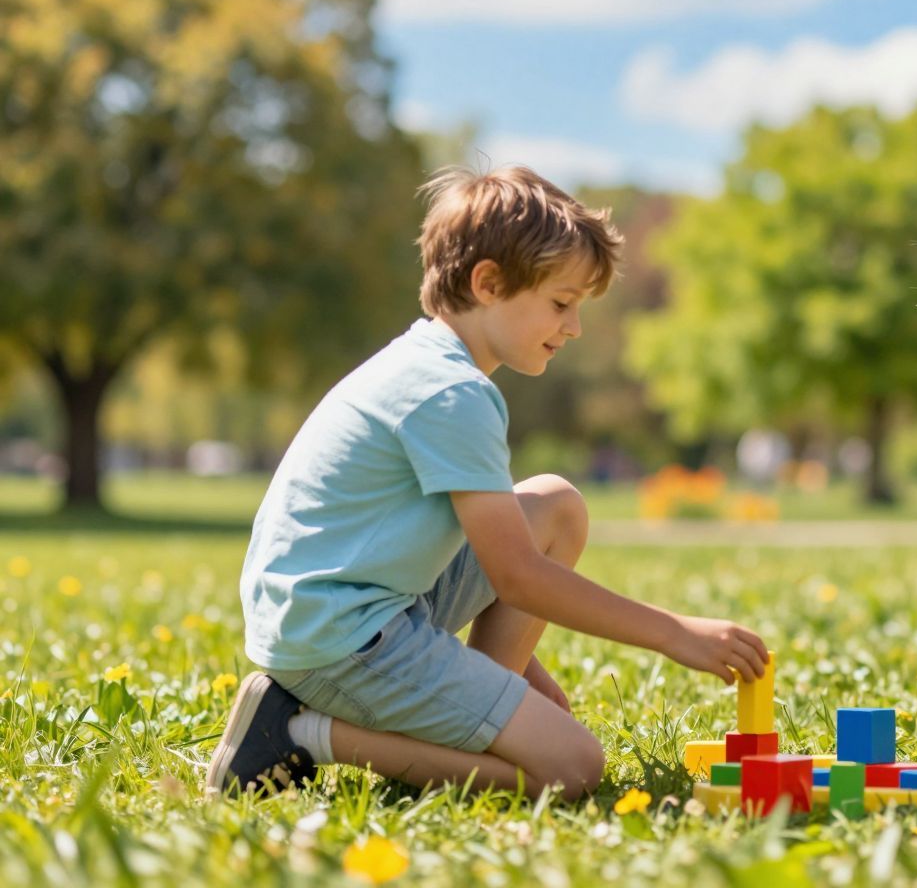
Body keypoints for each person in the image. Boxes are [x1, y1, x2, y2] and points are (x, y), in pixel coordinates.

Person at [208, 165, 767, 798]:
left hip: (346, 611)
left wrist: (512, 683)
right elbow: (517, 575)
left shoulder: (430, 365)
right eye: (561, 303)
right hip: (338, 639)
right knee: (572, 769)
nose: (574, 327)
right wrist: (673, 632)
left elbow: (480, 552)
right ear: (489, 283)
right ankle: (298, 733)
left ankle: (463, 715)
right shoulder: (452, 393)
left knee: (555, 504)